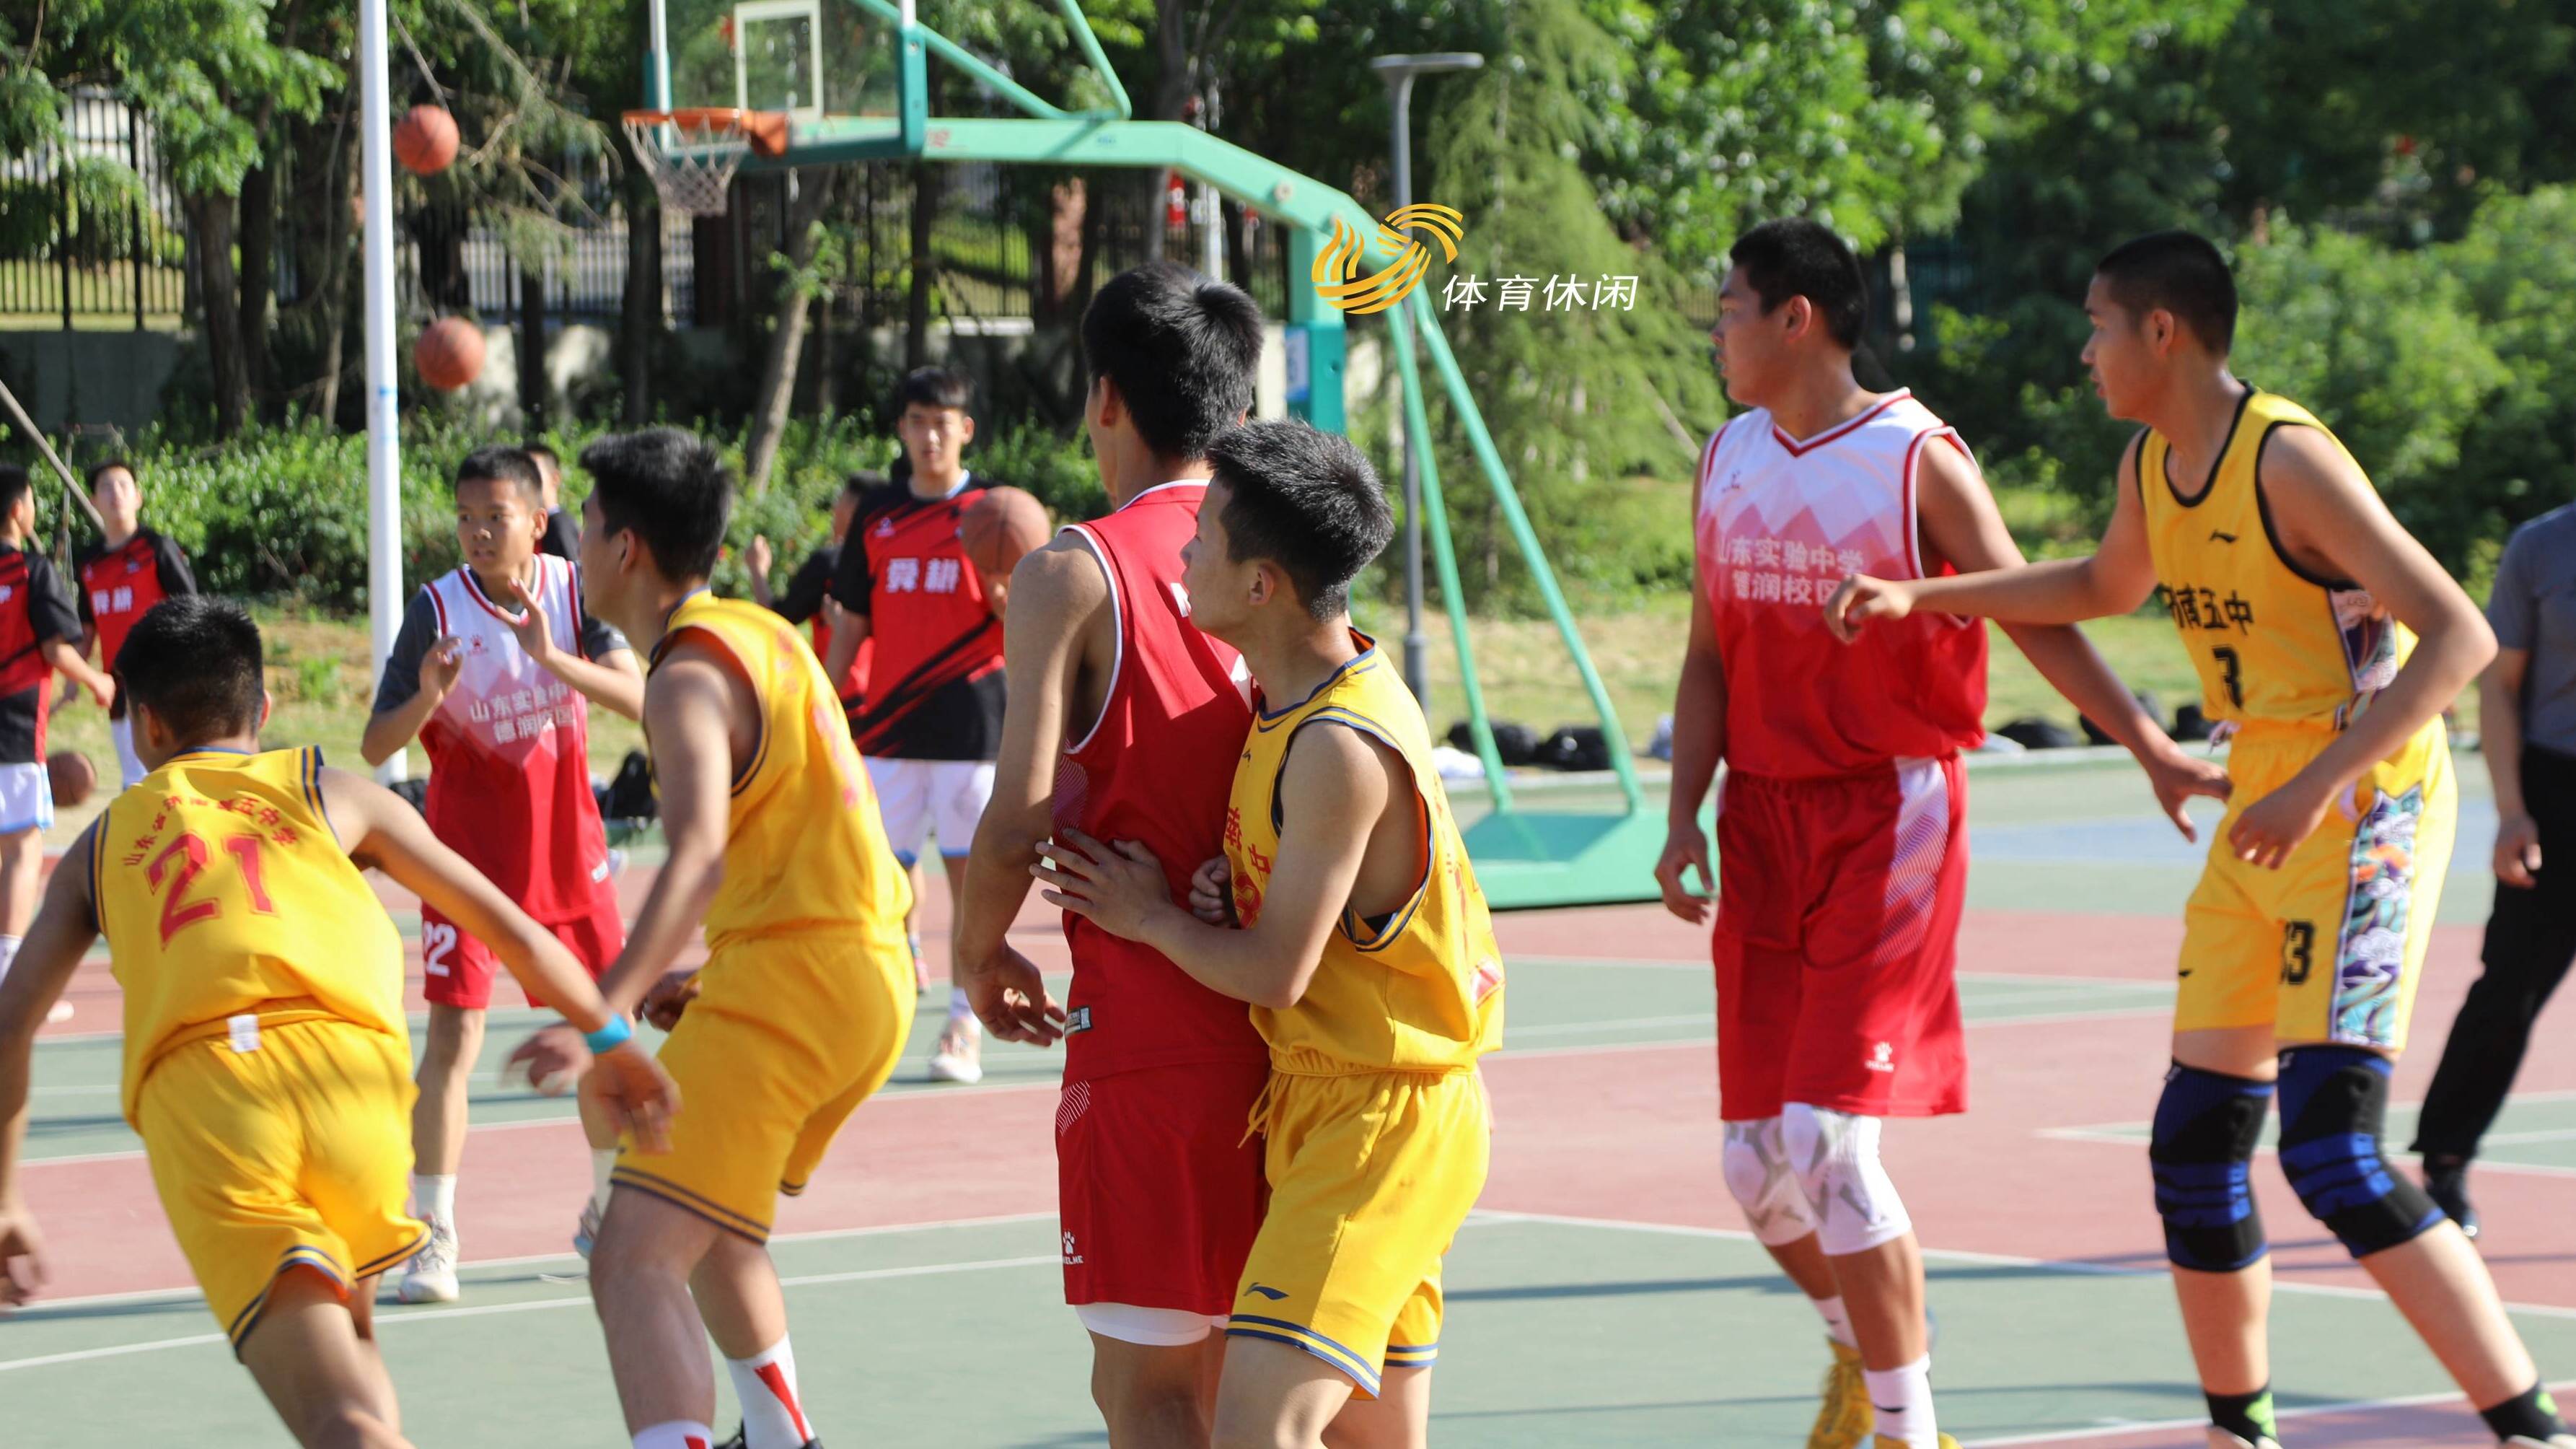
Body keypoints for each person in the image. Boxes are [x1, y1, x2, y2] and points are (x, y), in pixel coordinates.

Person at [1826, 229, 2576, 1449]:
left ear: (2160, 332)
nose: (2085, 351)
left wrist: (2317, 783)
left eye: (2098, 325)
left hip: (2364, 794)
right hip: (2266, 792)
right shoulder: (2151, 464)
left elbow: (2457, 636)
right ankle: (2242, 1427)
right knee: (2193, 1139)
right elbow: (2098, 585)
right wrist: (1927, 593)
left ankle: (2529, 1423)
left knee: (2331, 1153)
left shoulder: (2287, 459)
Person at [1657, 219, 2217, 1449]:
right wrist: (1681, 810)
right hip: (1756, 819)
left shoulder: (1916, 459)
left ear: (1796, 317)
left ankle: (1916, 1429)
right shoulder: (1729, 455)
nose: (1718, 324)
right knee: (1754, 1164)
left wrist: (2147, 741)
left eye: (1731, 305)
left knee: (1826, 1139)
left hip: (1885, 812)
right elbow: (1706, 656)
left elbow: (2042, 615)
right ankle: (1863, 1350)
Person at [0, 595, 675, 1449]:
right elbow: (511, 925)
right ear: (267, 713)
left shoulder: (102, 843)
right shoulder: (327, 785)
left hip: (218, 1099)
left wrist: (4, 1195)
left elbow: (10, 1024)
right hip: (355, 1087)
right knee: (352, 1360)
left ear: (144, 725)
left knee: (339, 1422)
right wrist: (609, 1038)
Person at [1037, 419, 1502, 1449]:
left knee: (1256, 1427)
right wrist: (1228, 887)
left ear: (1262, 586)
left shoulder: (1334, 744)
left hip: (1376, 1120)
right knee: (1373, 1440)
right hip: (1339, 1105)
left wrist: (1147, 916)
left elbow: (1278, 975)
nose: (1185, 556)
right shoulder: (1288, 706)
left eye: (1204, 535)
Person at [953, 261, 1270, 1445]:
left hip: (1156, 1032)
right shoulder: (1286, 554)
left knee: (1149, 1392)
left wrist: (978, 953)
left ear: (1104, 400)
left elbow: (1020, 815)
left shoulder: (1075, 573)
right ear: (1236, 409)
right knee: (1270, 1386)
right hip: (1303, 1021)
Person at [561, 426, 917, 1449]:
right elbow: (785, 846)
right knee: (706, 1216)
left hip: (797, 987)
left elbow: (700, 855)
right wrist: (708, 971)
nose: (577, 545)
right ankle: (777, 1432)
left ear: (625, 547)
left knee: (629, 1257)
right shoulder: (764, 633)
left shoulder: (682, 675)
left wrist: (606, 1009)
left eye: (585, 527)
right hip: (862, 975)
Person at [361, 445, 646, 1301]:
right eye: (466, 519)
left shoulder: (574, 590)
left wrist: (552, 658)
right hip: (466, 870)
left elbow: (638, 699)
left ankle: (607, 1215)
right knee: (450, 1044)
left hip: (571, 859)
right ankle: (434, 1236)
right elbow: (377, 745)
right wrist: (428, 697)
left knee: (605, 1036)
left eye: (496, 516)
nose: (480, 532)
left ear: (535, 515)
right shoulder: (435, 610)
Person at [827, 367, 1010, 1084]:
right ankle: (874, 1019)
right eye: (917, 421)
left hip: (971, 733)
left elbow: (1025, 624)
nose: (930, 434)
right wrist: (831, 706)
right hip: (887, 733)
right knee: (873, 884)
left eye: (944, 421)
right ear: (901, 430)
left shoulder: (997, 514)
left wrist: (1003, 600)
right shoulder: (876, 514)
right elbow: (851, 622)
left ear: (965, 428)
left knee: (971, 889)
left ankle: (963, 1026)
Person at [2413, 502, 2576, 1238]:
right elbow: (2499, 687)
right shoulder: (2541, 548)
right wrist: (2513, 810)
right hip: (2555, 793)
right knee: (2507, 988)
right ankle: (2445, 1158)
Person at [0, 465, 114, 1028]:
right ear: (21, 510)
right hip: (16, 727)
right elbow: (53, 645)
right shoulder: (30, 568)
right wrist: (96, 681)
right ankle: (10, 976)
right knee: (21, 849)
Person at [76, 458, 198, 791]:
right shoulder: (88, 563)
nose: (115, 493)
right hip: (120, 681)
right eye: (106, 487)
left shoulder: (157, 547)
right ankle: (142, 841)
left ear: (137, 497)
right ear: (93, 501)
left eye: (123, 485)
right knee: (135, 779)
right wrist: (76, 676)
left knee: (172, 773)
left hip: (165, 676)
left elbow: (191, 607)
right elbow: (88, 627)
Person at [528, 442, 581, 560]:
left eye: (533, 474)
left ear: (555, 478)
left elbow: (571, 575)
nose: (526, 483)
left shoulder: (560, 526)